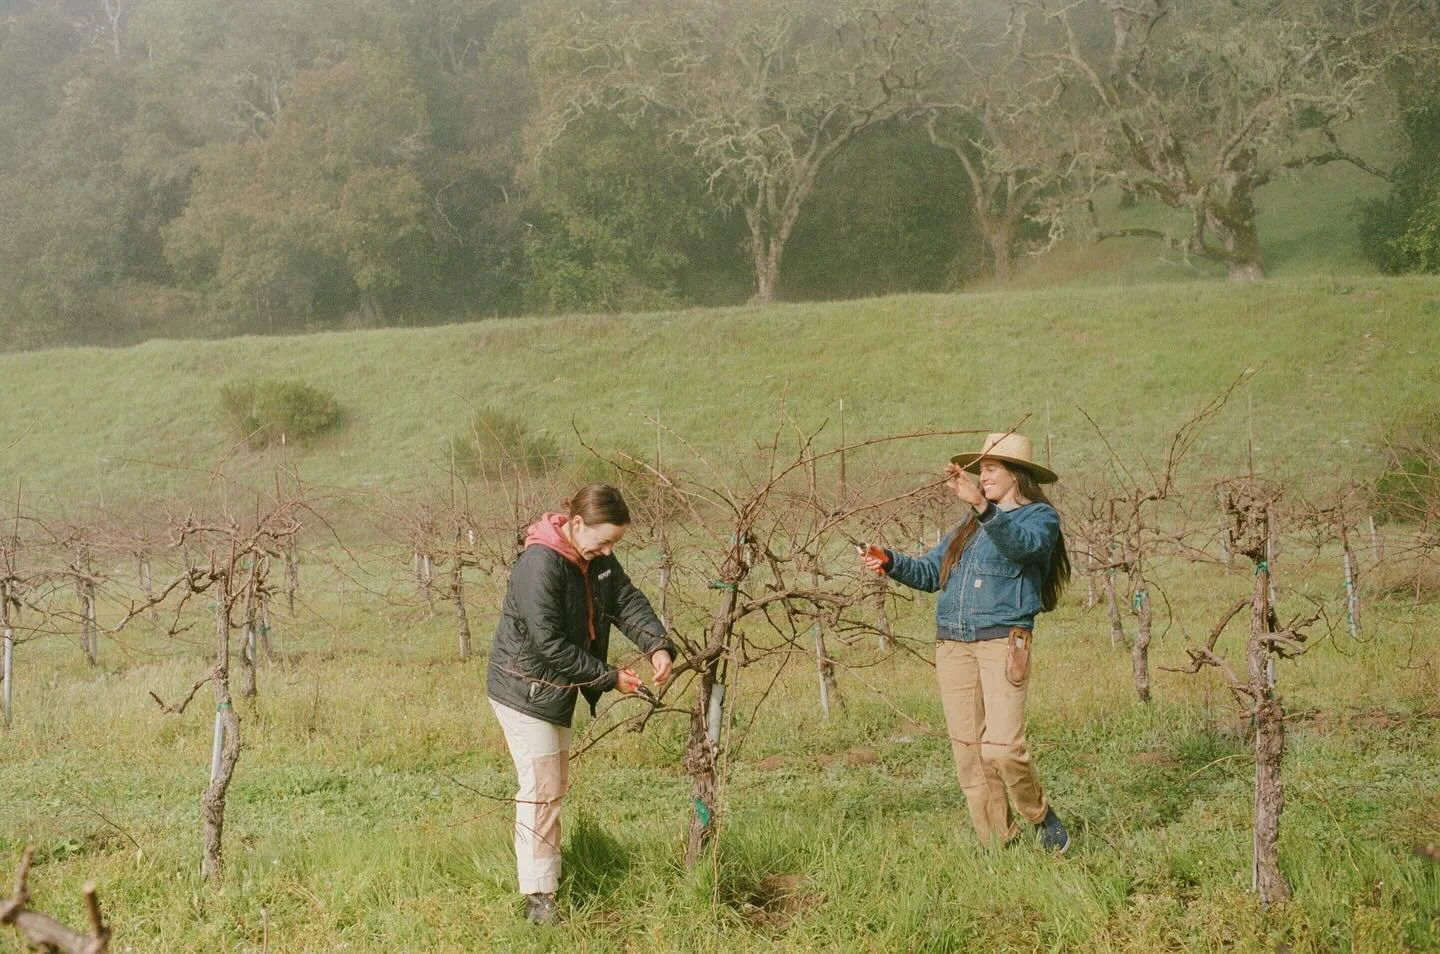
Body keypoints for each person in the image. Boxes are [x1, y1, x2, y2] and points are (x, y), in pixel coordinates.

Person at [861, 432, 1073, 853]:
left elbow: (1022, 548)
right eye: (981, 470)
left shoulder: (1038, 519)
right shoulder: (967, 527)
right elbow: (929, 573)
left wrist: (982, 506)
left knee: (1002, 748)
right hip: (952, 646)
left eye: (992, 468)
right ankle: (999, 844)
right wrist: (889, 561)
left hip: (1002, 643)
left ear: (1018, 475)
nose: (983, 475)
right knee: (969, 756)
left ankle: (1039, 816)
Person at [486, 483, 676, 924]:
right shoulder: (540, 564)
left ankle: (544, 883)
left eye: (616, 542)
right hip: (524, 689)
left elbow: (625, 600)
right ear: (575, 524)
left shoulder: (596, 559)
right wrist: (610, 678)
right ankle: (539, 900)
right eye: (604, 540)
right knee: (541, 790)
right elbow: (549, 644)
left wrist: (657, 646)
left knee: (552, 788)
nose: (610, 551)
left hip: (557, 689)